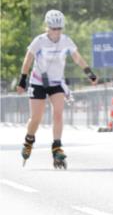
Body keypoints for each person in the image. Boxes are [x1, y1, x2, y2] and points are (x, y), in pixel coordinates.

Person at [15, 10, 99, 169]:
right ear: (47, 27)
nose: (56, 32)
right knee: (36, 118)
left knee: (58, 113)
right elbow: (28, 59)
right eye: (53, 29)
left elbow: (77, 58)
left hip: (56, 82)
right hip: (38, 82)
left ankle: (57, 146)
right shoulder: (39, 41)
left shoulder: (66, 41)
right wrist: (22, 79)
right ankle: (29, 139)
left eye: (59, 28)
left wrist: (89, 73)